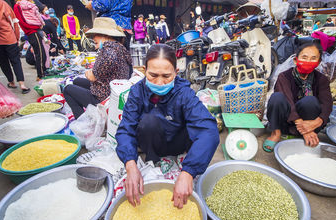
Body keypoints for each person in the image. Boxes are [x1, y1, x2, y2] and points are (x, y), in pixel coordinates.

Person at [115, 44, 220, 209]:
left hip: (178, 143)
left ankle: (178, 164)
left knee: (199, 129)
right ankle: (154, 161)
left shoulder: (184, 93)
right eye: (153, 75)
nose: (160, 82)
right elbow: (125, 129)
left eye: (166, 76)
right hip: (152, 144)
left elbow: (209, 131)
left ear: (176, 73)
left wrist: (188, 173)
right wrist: (130, 164)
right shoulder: (137, 92)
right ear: (144, 70)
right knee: (148, 122)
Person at [263, 43, 333, 152]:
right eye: (304, 57)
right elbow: (288, 101)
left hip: (310, 122)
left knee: (310, 101)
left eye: (313, 58)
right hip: (286, 121)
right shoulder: (284, 76)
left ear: (318, 62)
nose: (308, 61)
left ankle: (307, 133)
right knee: (277, 98)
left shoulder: (321, 79)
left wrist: (317, 122)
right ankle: (276, 134)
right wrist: (304, 129)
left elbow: (327, 103)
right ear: (296, 60)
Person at [63, 17, 132, 119]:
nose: (95, 45)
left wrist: (89, 73)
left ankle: (84, 122)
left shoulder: (108, 52)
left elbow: (92, 77)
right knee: (77, 81)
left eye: (95, 42)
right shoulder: (120, 48)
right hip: (110, 88)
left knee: (67, 89)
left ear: (105, 36)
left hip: (105, 97)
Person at [0, 0, 30, 93]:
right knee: (16, 61)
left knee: (3, 62)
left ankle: (11, 82)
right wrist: (17, 36)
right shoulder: (2, 4)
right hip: (9, 38)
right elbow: (13, 21)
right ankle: (22, 84)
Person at [14, 0, 47, 81]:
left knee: (42, 53)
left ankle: (42, 73)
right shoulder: (17, 6)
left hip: (35, 30)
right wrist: (32, 27)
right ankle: (41, 75)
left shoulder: (29, 4)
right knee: (40, 53)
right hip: (32, 31)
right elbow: (21, 21)